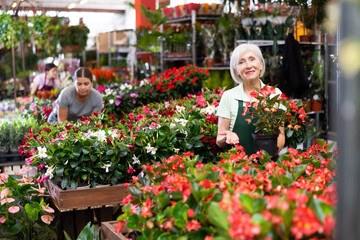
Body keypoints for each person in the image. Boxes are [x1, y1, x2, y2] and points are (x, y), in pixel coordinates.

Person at [216, 44, 285, 155]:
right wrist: (227, 135)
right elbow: (219, 139)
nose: (248, 66)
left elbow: (281, 134)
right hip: (238, 168)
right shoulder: (229, 96)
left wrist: (271, 154)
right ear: (236, 70)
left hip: (269, 167)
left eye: (252, 59)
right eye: (241, 62)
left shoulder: (275, 95)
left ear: (261, 64)